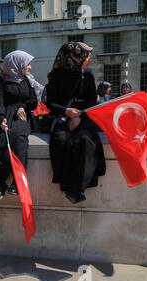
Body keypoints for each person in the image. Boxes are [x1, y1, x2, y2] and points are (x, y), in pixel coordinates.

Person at [46, 42, 106, 204]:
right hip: (61, 115)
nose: (89, 58)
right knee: (61, 141)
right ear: (74, 57)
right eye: (86, 55)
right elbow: (50, 103)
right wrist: (67, 112)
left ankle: (78, 187)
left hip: (83, 115)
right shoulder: (56, 75)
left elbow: (91, 101)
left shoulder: (88, 74)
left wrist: (78, 115)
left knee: (86, 141)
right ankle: (67, 185)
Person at [0, 50, 38, 200]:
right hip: (5, 115)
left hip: (21, 117)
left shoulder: (27, 80)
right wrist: (2, 118)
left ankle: (17, 181)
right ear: (16, 64)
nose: (29, 67)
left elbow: (34, 102)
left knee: (18, 138)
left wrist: (23, 107)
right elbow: (0, 102)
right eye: (27, 64)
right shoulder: (1, 80)